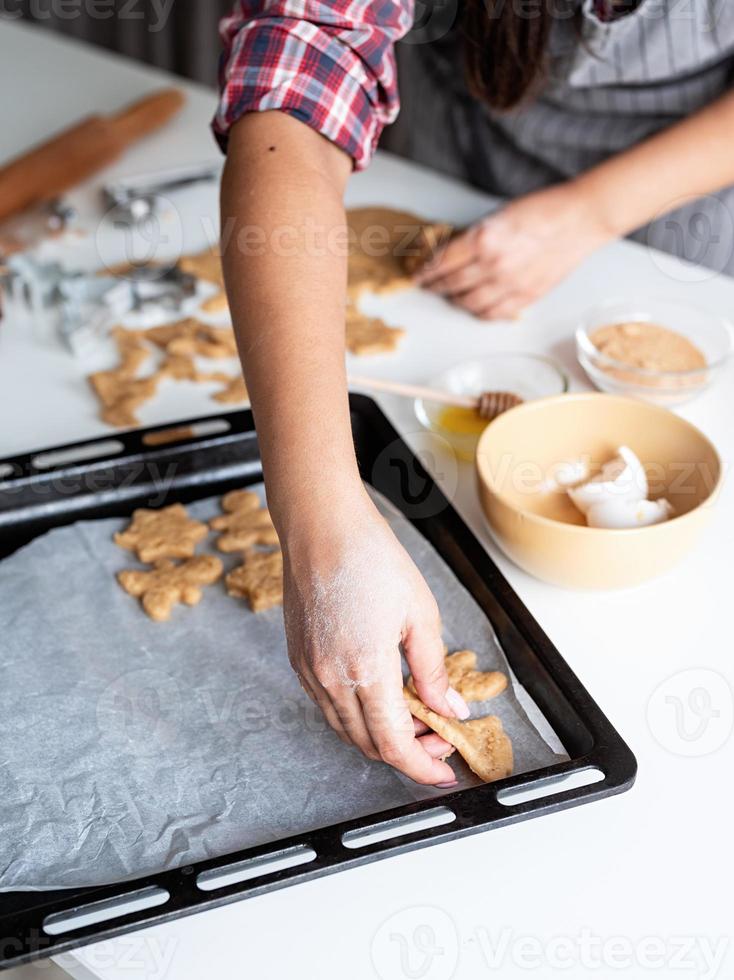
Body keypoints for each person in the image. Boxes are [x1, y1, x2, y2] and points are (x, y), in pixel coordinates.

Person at [214, 0, 734, 786]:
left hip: (682, 214)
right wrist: (322, 521)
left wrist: (593, 211)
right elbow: (303, 57)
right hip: (458, 153)